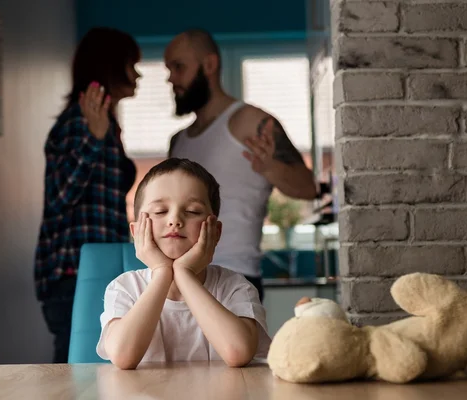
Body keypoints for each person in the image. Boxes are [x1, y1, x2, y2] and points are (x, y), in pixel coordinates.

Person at [165, 30, 318, 301]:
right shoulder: (177, 141)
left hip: (235, 278)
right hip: (179, 278)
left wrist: (270, 168)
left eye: (178, 67)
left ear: (209, 65)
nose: (171, 78)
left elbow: (308, 188)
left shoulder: (251, 122)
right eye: (169, 69)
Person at [96, 158, 271, 369]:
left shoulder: (235, 287)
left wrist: (184, 274)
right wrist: (162, 272)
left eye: (193, 211)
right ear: (136, 232)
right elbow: (123, 357)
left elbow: (238, 352)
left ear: (215, 232)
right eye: (160, 211)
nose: (175, 220)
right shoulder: (124, 288)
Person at [34, 27, 141, 363]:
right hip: (74, 276)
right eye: (130, 64)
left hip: (92, 272)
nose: (136, 73)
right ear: (110, 66)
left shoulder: (105, 125)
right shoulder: (78, 123)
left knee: (95, 371)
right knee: (77, 375)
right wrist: (93, 139)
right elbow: (60, 198)